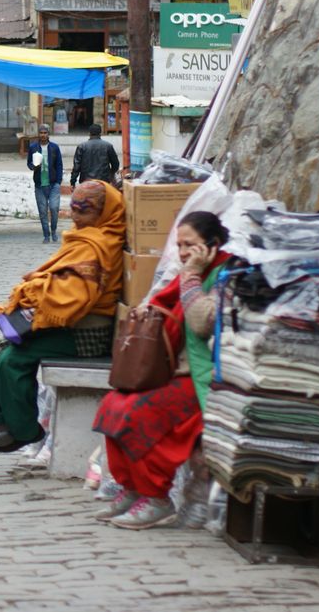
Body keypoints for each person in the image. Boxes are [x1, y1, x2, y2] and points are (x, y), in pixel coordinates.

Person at [0, 181, 124, 453]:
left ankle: (23, 430)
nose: (76, 216)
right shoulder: (88, 237)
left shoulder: (99, 244)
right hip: (72, 325)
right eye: (74, 208)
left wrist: (37, 295)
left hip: (86, 333)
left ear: (104, 212)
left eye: (85, 210)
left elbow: (73, 297)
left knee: (13, 359)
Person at [92, 211, 233, 530]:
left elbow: (200, 322)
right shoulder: (188, 271)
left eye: (190, 245)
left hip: (204, 377)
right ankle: (133, 487)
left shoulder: (224, 273)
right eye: (179, 245)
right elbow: (162, 303)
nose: (183, 252)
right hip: (172, 371)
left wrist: (193, 274)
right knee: (113, 405)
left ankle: (157, 496)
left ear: (212, 245)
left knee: (139, 413)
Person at [27, 124, 64, 243]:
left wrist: (58, 181)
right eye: (41, 133)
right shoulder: (33, 147)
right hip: (39, 185)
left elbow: (59, 165)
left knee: (54, 208)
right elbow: (29, 163)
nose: (43, 135)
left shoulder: (54, 147)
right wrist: (34, 166)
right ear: (39, 134)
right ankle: (46, 235)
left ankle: (53, 230)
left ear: (48, 134)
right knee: (43, 212)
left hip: (53, 184)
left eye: (45, 133)